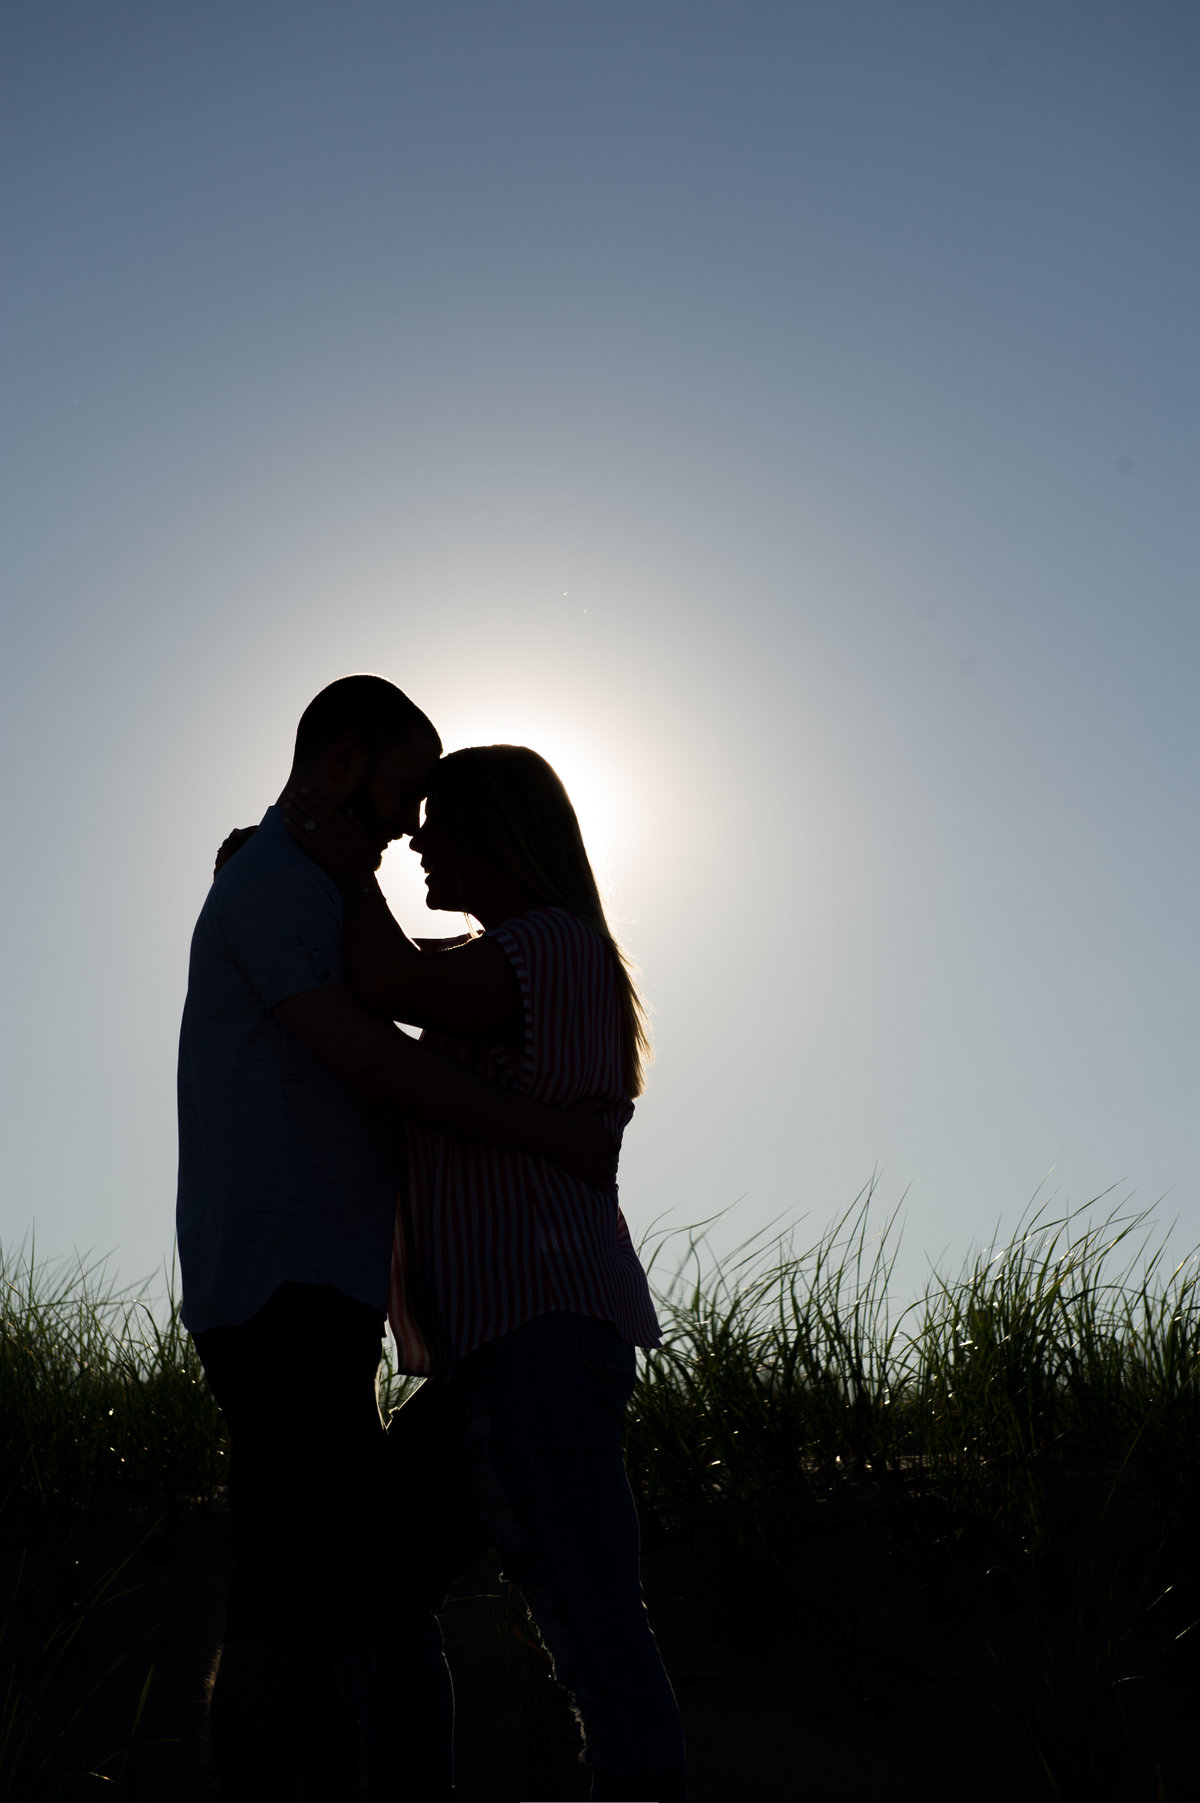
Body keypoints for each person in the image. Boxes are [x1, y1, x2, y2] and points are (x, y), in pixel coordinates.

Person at [177, 677, 617, 1803]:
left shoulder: (304, 884)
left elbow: (403, 988)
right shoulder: (278, 885)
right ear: (338, 765)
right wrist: (552, 1136)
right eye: (406, 792)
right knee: (295, 1587)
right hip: (282, 1287)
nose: (416, 825)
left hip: (324, 1290)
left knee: (336, 1587)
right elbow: (370, 1046)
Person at [283, 744, 689, 1803]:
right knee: (374, 1588)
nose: (415, 836)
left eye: (434, 819)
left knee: (591, 1613)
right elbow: (376, 974)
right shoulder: (514, 955)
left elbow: (383, 976)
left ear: (494, 834)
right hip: (497, 1354)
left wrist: (340, 857)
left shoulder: (548, 945)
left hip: (539, 1335)